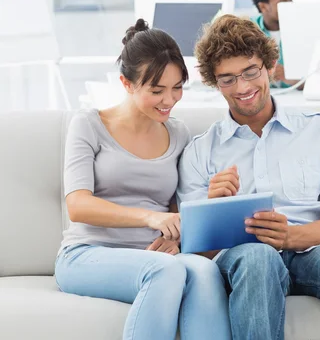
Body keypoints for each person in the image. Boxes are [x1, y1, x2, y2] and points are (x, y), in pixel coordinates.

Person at [178, 14, 320, 340]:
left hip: (310, 248)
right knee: (258, 258)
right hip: (247, 260)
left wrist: (288, 237)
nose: (243, 87)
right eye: (228, 79)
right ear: (214, 82)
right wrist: (211, 207)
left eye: (250, 72)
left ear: (270, 66)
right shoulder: (200, 150)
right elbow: (193, 252)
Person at [55, 19, 232, 340]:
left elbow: (177, 210)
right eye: (157, 90)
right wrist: (150, 217)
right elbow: (78, 206)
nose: (169, 100)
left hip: (154, 255)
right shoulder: (89, 125)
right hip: (87, 253)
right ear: (126, 83)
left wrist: (178, 238)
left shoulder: (178, 133)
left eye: (177, 87)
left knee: (205, 271)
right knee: (165, 271)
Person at [250, 0, 299, 89]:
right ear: (263, 7)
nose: (290, 5)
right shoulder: (247, 30)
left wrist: (294, 79)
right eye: (283, 2)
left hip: (297, 98)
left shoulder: (303, 27)